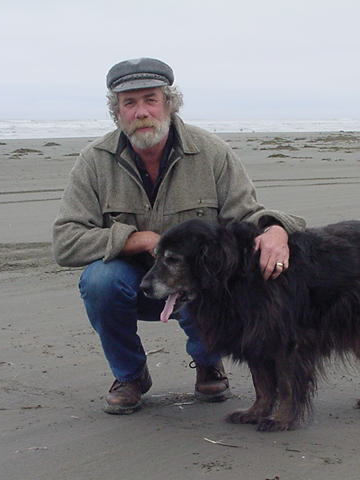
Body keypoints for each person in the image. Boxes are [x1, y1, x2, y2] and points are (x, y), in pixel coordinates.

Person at [52, 57, 305, 414]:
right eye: (129, 103)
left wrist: (277, 229)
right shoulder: (94, 162)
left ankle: (208, 364)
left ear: (169, 103)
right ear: (117, 112)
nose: (141, 112)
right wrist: (137, 239)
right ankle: (130, 376)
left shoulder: (211, 152)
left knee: (207, 274)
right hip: (133, 284)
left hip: (194, 284)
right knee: (99, 281)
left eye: (150, 99)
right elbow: (66, 240)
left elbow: (246, 215)